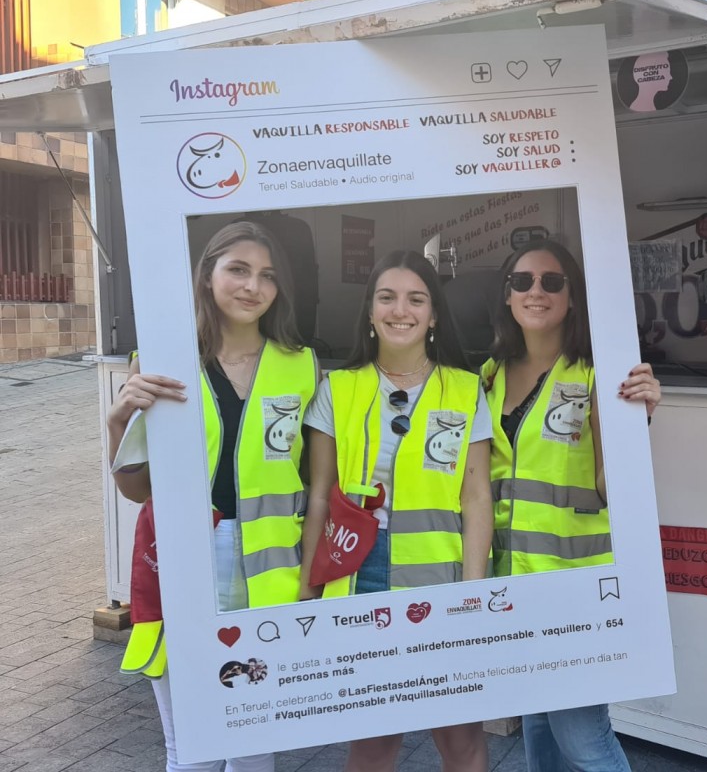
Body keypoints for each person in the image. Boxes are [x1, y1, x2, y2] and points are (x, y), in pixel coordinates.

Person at [107, 221, 318, 772]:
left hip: (270, 569)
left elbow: (317, 481)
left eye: (268, 276)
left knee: (253, 744)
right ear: (206, 277)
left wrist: (310, 577)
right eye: (238, 269)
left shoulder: (304, 366)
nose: (253, 286)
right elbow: (135, 490)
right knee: (193, 746)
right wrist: (117, 420)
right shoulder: (158, 358)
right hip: (182, 561)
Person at [299, 250, 492, 772]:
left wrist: (473, 592)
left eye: (415, 299)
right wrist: (307, 588)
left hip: (441, 572)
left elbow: (476, 498)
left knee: (459, 735)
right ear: (369, 310)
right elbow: (321, 494)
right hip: (359, 573)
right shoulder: (337, 389)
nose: (399, 310)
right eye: (386, 297)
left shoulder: (466, 389)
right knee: (373, 739)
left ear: (433, 315)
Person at [481, 240, 661, 772]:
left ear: (573, 297)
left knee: (583, 737)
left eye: (552, 282)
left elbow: (612, 487)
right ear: (507, 297)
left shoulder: (599, 373)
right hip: (512, 583)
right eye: (522, 281)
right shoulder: (489, 374)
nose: (536, 291)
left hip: (577, 586)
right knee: (539, 724)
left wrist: (638, 422)